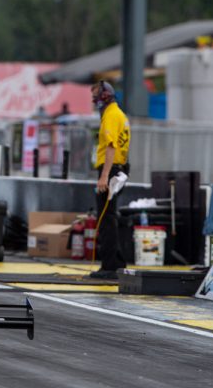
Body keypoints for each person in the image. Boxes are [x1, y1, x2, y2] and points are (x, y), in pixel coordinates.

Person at [90, 81, 131, 279]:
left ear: (103, 98)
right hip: (119, 168)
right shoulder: (118, 114)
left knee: (106, 218)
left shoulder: (111, 116)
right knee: (110, 216)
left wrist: (104, 176)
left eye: (95, 97)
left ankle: (110, 266)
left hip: (111, 169)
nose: (94, 102)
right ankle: (117, 261)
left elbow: (111, 146)